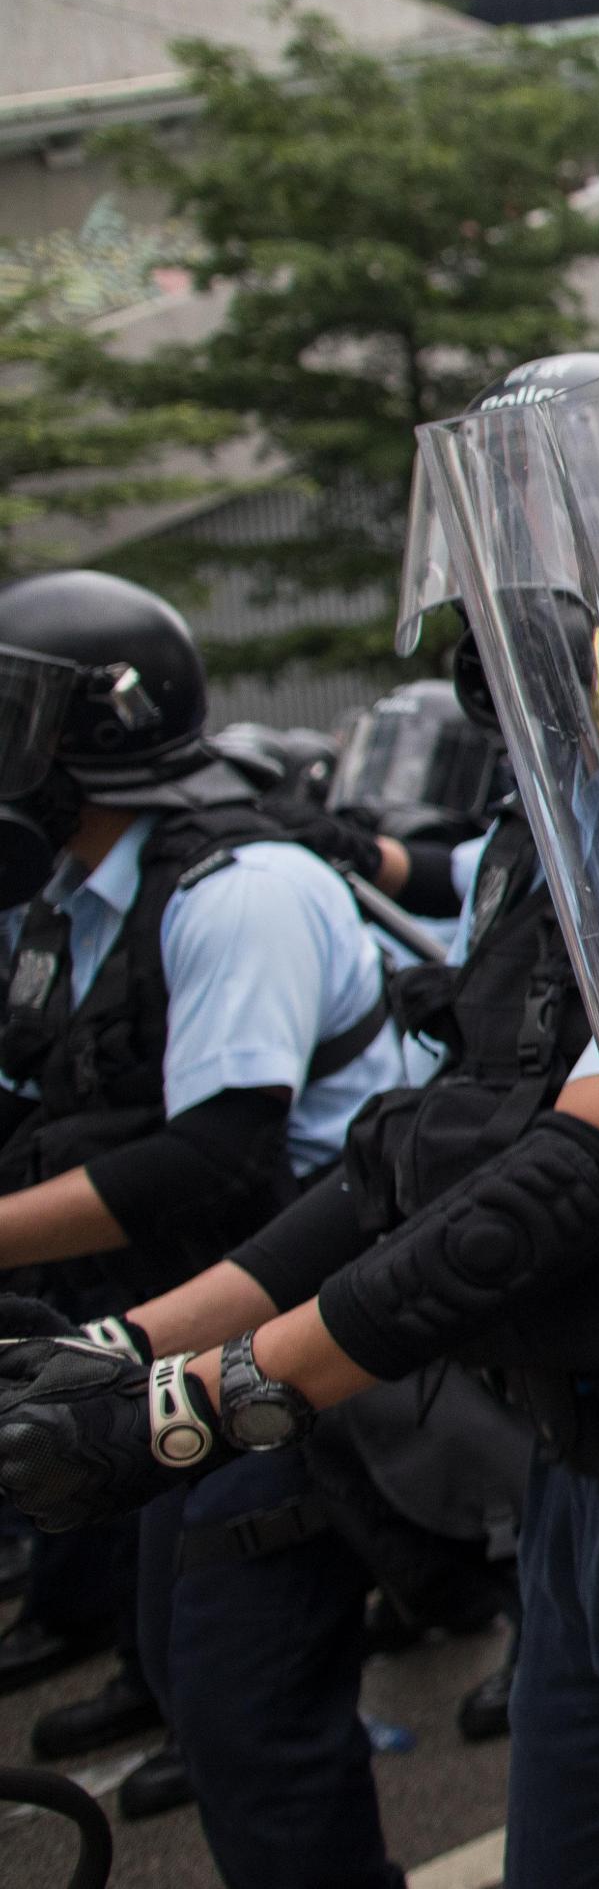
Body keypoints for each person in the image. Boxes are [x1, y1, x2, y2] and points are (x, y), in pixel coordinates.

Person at [0, 354, 599, 1889]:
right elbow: (414, 1150)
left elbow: (593, 1169)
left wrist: (226, 1395)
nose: (497, 653)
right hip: (582, 1471)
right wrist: (136, 1352)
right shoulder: (559, 836)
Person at [0, 568, 409, 1880]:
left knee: (245, 1700)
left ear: (98, 729)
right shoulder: (66, 903)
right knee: (191, 1656)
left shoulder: (237, 888)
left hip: (304, 1314)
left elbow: (215, 1155)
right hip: (185, 1317)